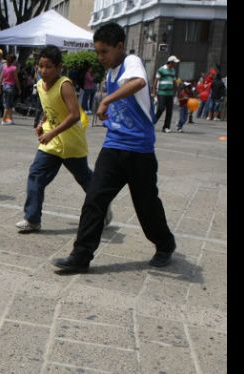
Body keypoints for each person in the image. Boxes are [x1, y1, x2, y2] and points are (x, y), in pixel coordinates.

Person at [54, 22, 176, 273]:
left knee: (146, 206)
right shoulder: (109, 72)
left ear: (120, 47)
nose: (100, 57)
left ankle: (165, 244)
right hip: (113, 148)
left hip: (139, 152)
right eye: (97, 52)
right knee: (94, 199)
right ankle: (81, 256)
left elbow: (139, 83)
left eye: (104, 52)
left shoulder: (132, 62)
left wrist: (107, 100)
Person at [15, 45, 111, 233]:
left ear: (59, 68)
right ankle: (33, 219)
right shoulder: (40, 85)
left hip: (71, 143)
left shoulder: (64, 85)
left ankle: (103, 206)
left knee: (85, 179)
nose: (43, 70)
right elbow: (48, 108)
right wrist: (43, 124)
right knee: (36, 174)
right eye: (40, 66)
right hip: (51, 144)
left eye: (48, 67)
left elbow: (74, 114)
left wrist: (52, 132)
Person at [153, 55, 179, 133]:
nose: (175, 64)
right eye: (174, 62)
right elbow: (156, 81)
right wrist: (153, 92)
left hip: (170, 93)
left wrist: (177, 92)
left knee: (169, 110)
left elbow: (174, 81)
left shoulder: (173, 71)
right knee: (160, 108)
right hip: (162, 92)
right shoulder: (161, 70)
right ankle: (152, 123)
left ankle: (166, 127)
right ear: (170, 62)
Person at [0, 53, 20, 125]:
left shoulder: (4, 67)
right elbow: (16, 79)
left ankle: (11, 119)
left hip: (5, 86)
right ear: (13, 61)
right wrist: (19, 88)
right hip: (11, 87)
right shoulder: (13, 68)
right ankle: (3, 120)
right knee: (8, 105)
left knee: (9, 104)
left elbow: (1, 78)